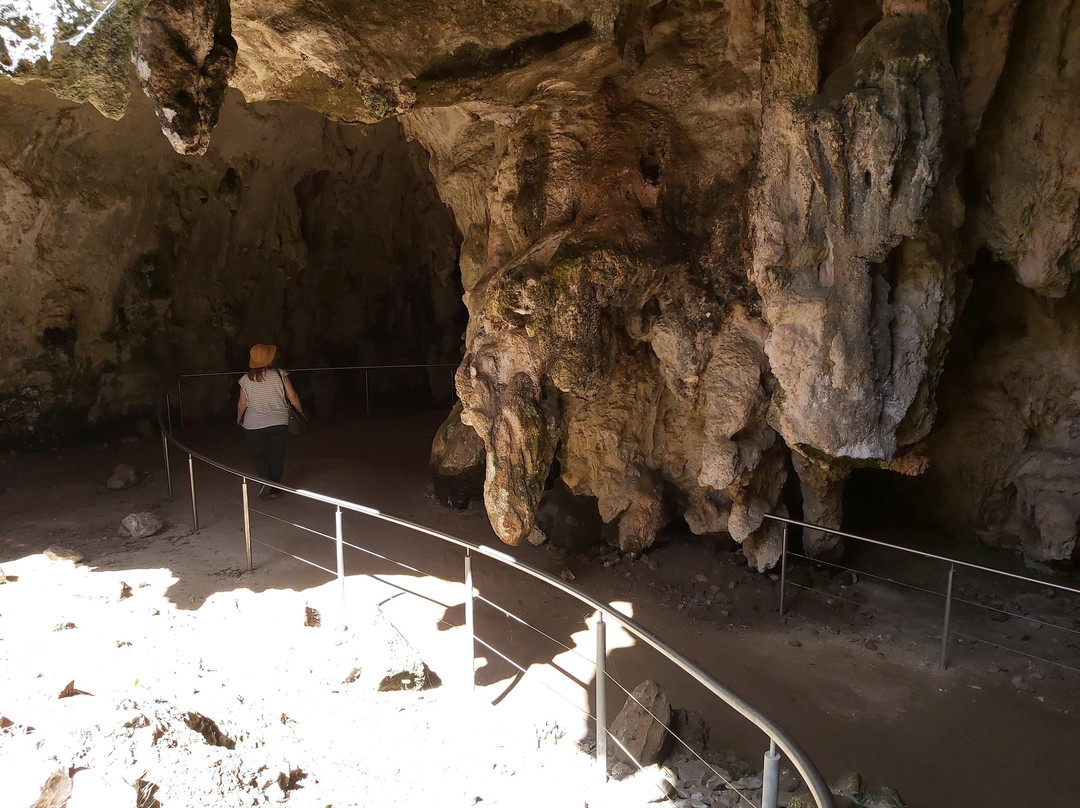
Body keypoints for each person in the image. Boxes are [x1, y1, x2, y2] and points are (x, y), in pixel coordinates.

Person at [236, 343, 305, 499]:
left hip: (253, 425)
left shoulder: (245, 379)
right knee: (276, 455)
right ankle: (275, 488)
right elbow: (292, 397)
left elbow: (242, 403)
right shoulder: (280, 375)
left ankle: (264, 480)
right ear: (270, 358)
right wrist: (301, 412)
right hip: (278, 422)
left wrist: (239, 416)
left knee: (258, 455)